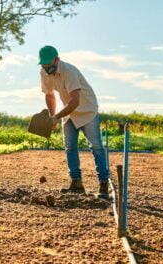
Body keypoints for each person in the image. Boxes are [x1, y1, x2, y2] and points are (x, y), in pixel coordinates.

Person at [38, 45, 109, 199]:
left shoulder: (69, 71)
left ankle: (103, 184)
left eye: (49, 64)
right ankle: (76, 183)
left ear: (57, 59)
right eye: (43, 64)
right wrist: (52, 116)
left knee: (96, 146)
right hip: (69, 112)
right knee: (70, 147)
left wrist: (56, 117)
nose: (46, 68)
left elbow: (75, 101)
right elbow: (49, 95)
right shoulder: (44, 72)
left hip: (86, 110)